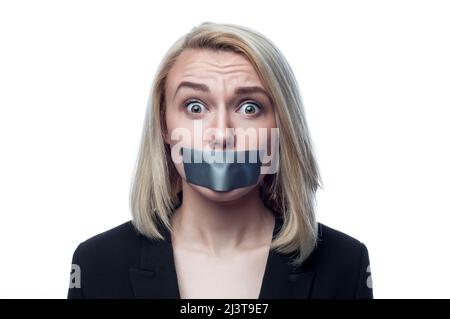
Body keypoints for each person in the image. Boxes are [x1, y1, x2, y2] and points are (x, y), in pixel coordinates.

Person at [67, 21, 373, 299]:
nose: (222, 134)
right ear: (164, 126)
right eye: (196, 107)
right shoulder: (97, 263)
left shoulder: (346, 263)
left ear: (281, 126)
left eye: (250, 107)